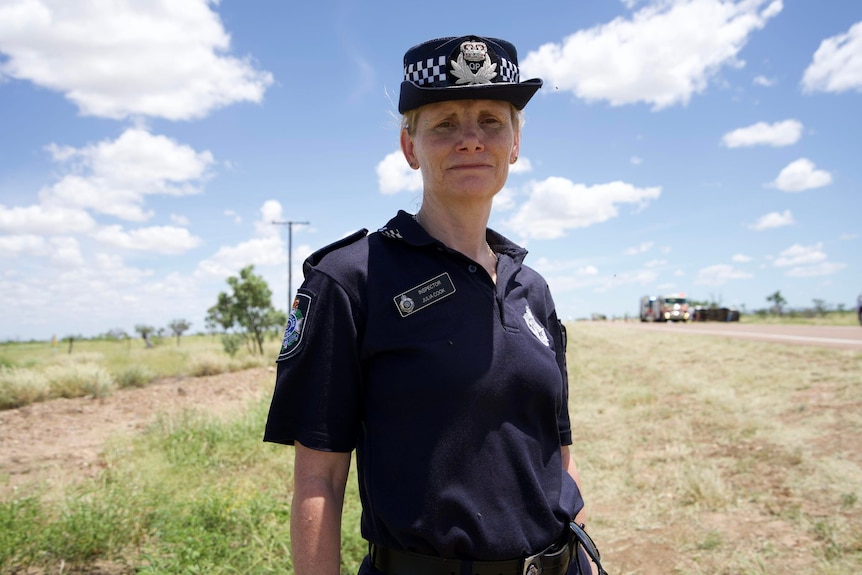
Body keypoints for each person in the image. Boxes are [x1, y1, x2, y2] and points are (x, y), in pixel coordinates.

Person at [264, 35, 606, 575]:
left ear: (514, 143)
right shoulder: (351, 279)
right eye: (445, 123)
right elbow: (319, 480)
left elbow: (557, 451)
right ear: (409, 146)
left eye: (491, 121)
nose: (471, 140)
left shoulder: (532, 288)